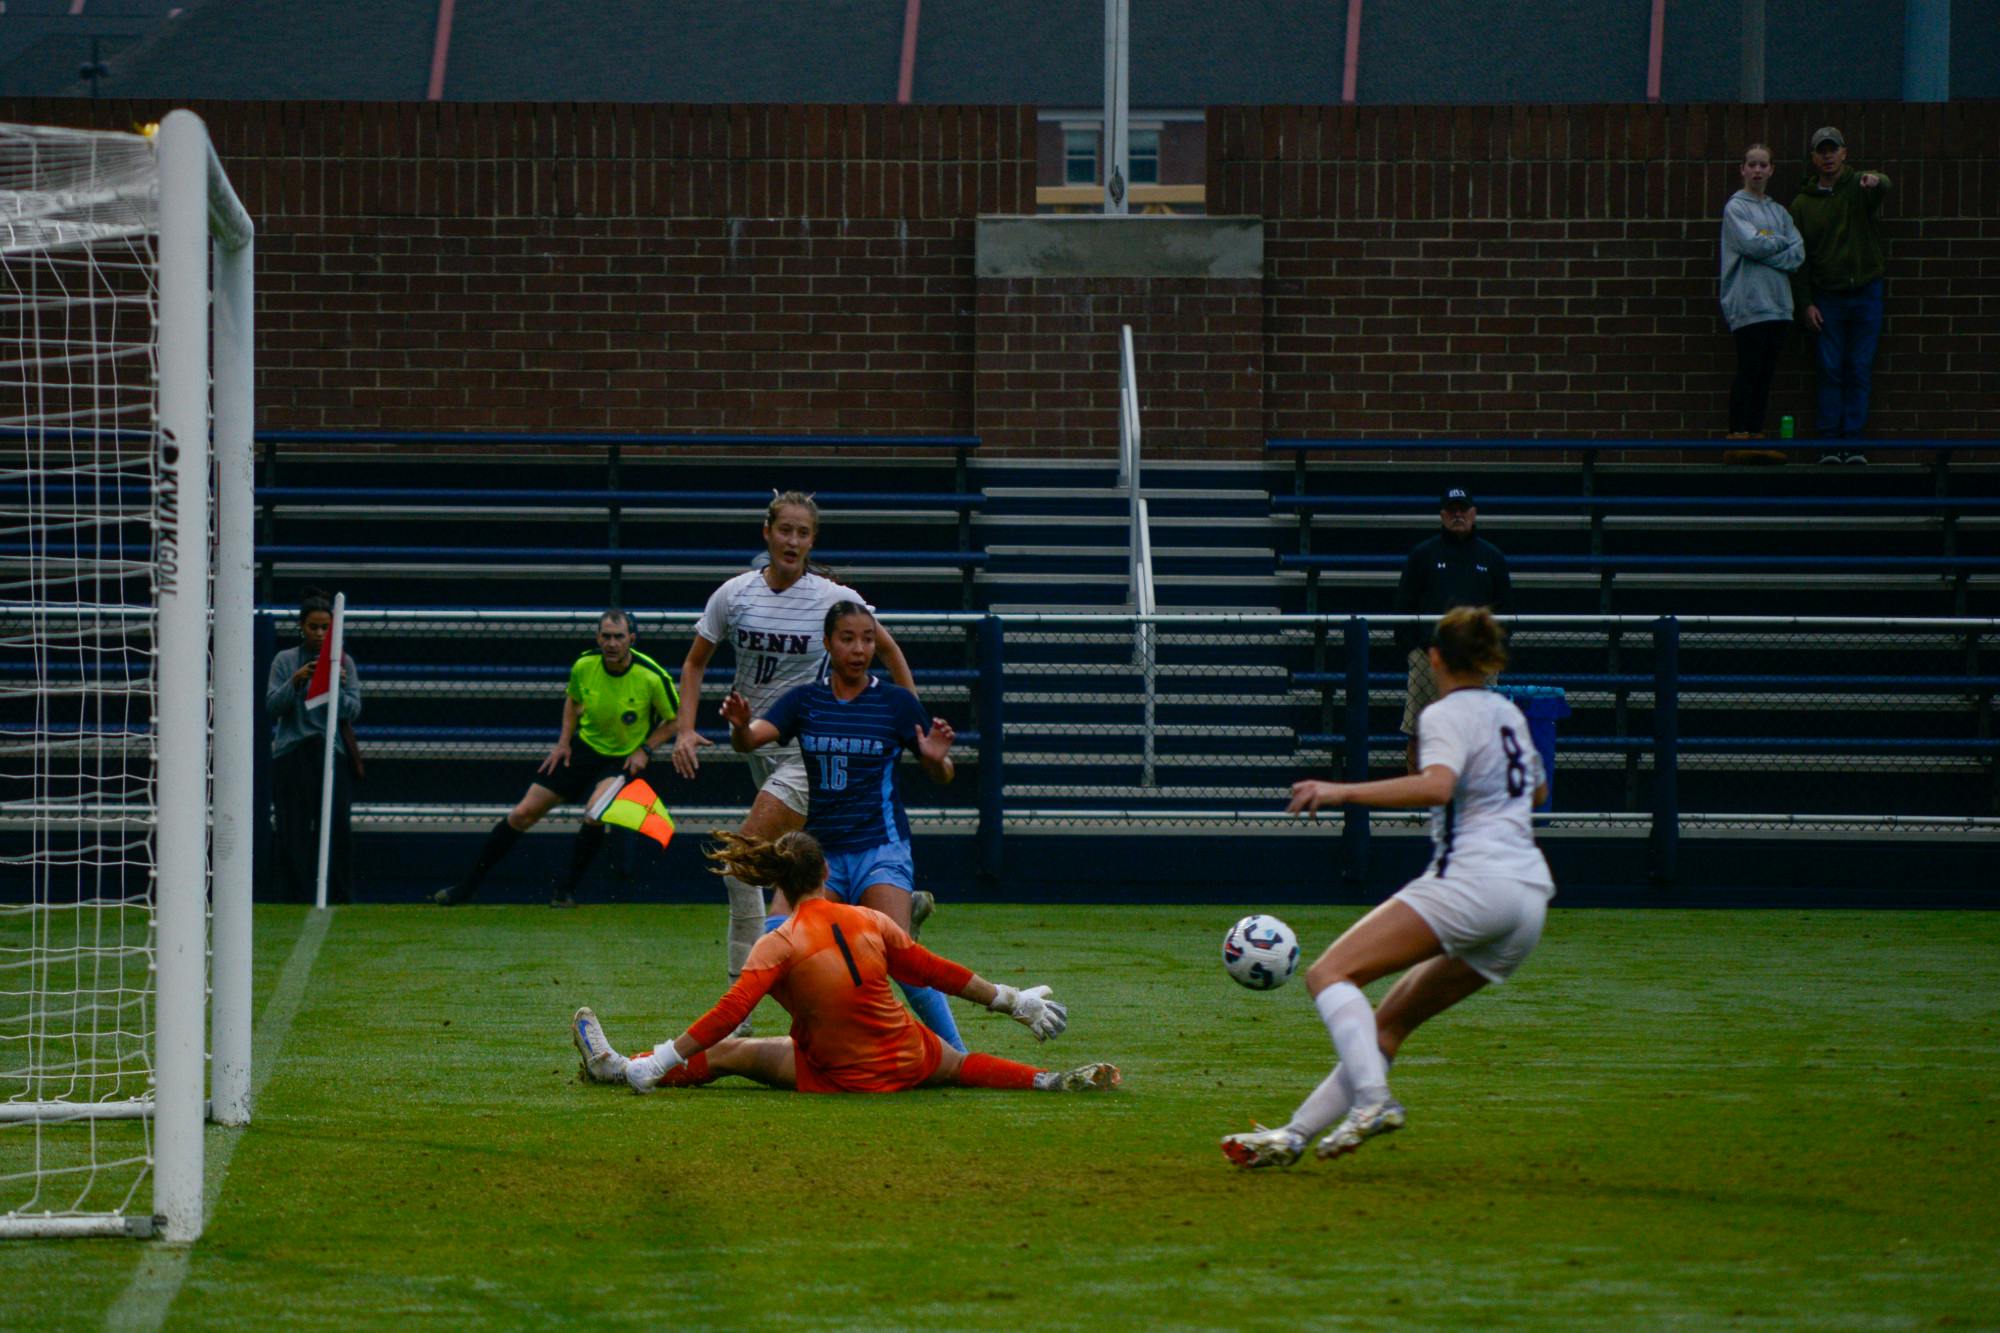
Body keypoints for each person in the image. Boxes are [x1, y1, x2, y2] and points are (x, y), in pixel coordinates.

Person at [1220, 606, 1554, 1169]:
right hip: (1527, 901)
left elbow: (1437, 786)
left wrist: (1340, 791)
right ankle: (1293, 1135)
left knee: (1329, 973)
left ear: (1436, 658)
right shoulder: (1508, 714)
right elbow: (1538, 793)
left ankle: (1374, 1101)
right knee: (1387, 1025)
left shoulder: (1445, 712)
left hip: (1474, 881)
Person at [570, 829, 1120, 1095]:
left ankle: (618, 1066)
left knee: (731, 1050)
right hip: (906, 1055)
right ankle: (1046, 1081)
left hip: (843, 1074)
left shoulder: (778, 943)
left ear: (780, 885)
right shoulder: (870, 920)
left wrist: (662, 1058)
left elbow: (727, 1014)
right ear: (825, 873)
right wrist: (1011, 999)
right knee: (957, 1062)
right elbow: (932, 971)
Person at [671, 492, 927, 1021]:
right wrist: (686, 730)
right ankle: (897, 926)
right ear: (767, 533)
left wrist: (913, 729)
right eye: (784, 530)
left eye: (802, 533)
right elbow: (695, 662)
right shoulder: (734, 595)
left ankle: (736, 1008)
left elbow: (890, 650)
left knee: (742, 868)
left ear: (813, 541)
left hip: (808, 755)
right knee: (814, 883)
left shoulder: (831, 598)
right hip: (763, 748)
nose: (792, 541)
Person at [719, 600, 966, 1050]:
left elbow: (943, 772)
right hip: (822, 856)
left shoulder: (895, 703)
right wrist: (738, 727)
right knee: (775, 943)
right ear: (828, 643)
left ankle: (957, 1052)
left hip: (880, 847)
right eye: (848, 638)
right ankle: (840, 1030)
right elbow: (749, 741)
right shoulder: (805, 700)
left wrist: (936, 761)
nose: (859, 648)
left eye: (868, 639)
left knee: (900, 960)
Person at [434, 609, 677, 908]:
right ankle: (467, 886)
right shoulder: (584, 665)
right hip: (583, 749)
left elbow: (676, 720)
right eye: (606, 636)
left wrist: (646, 749)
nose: (612, 643)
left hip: (621, 759)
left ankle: (565, 891)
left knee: (594, 813)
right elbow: (573, 701)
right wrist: (563, 743)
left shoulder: (651, 676)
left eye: (619, 637)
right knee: (523, 813)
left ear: (632, 639)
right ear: (598, 637)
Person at [1789, 126, 1892, 465]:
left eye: (1834, 149)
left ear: (1845, 153)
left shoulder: (1860, 186)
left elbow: (1882, 185)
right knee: (1830, 369)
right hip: (1828, 297)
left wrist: (1876, 181)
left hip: (1866, 291)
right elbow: (1799, 260)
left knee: (1859, 367)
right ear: (1813, 157)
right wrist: (1805, 302)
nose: (1828, 155)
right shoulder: (1802, 205)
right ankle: (1830, 445)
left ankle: (1855, 444)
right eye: (1822, 150)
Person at [1392, 488, 1512, 772]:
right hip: (1430, 659)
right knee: (1419, 731)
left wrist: (1494, 655)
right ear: (1443, 515)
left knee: (1480, 735)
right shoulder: (1423, 555)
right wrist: (1414, 650)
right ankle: (1418, 808)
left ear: (1473, 513)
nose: (1458, 515)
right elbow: (1403, 604)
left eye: (1463, 509)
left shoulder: (1492, 557)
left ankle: (1470, 803)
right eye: (1452, 510)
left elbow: (1505, 610)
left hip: (1478, 660)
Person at [265, 587, 361, 904]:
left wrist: (336, 686)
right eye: (313, 627)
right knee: (291, 827)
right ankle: (293, 894)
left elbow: (354, 710)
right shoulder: (285, 660)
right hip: (292, 752)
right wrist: (296, 682)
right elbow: (271, 707)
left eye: (325, 628)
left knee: (335, 826)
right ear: (301, 627)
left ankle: (338, 894)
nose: (319, 634)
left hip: (330, 751)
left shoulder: (343, 661)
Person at [1719, 142, 1805, 464]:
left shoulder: (1779, 212)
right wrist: (1779, 243)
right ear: (1742, 169)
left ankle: (1755, 435)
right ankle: (1737, 436)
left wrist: (1771, 247)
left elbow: (1798, 254)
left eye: (1763, 164)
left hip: (1779, 306)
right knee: (1749, 370)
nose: (1757, 170)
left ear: (1772, 169)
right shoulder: (1736, 208)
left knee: (1765, 374)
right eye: (1751, 164)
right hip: (1749, 306)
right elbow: (1751, 244)